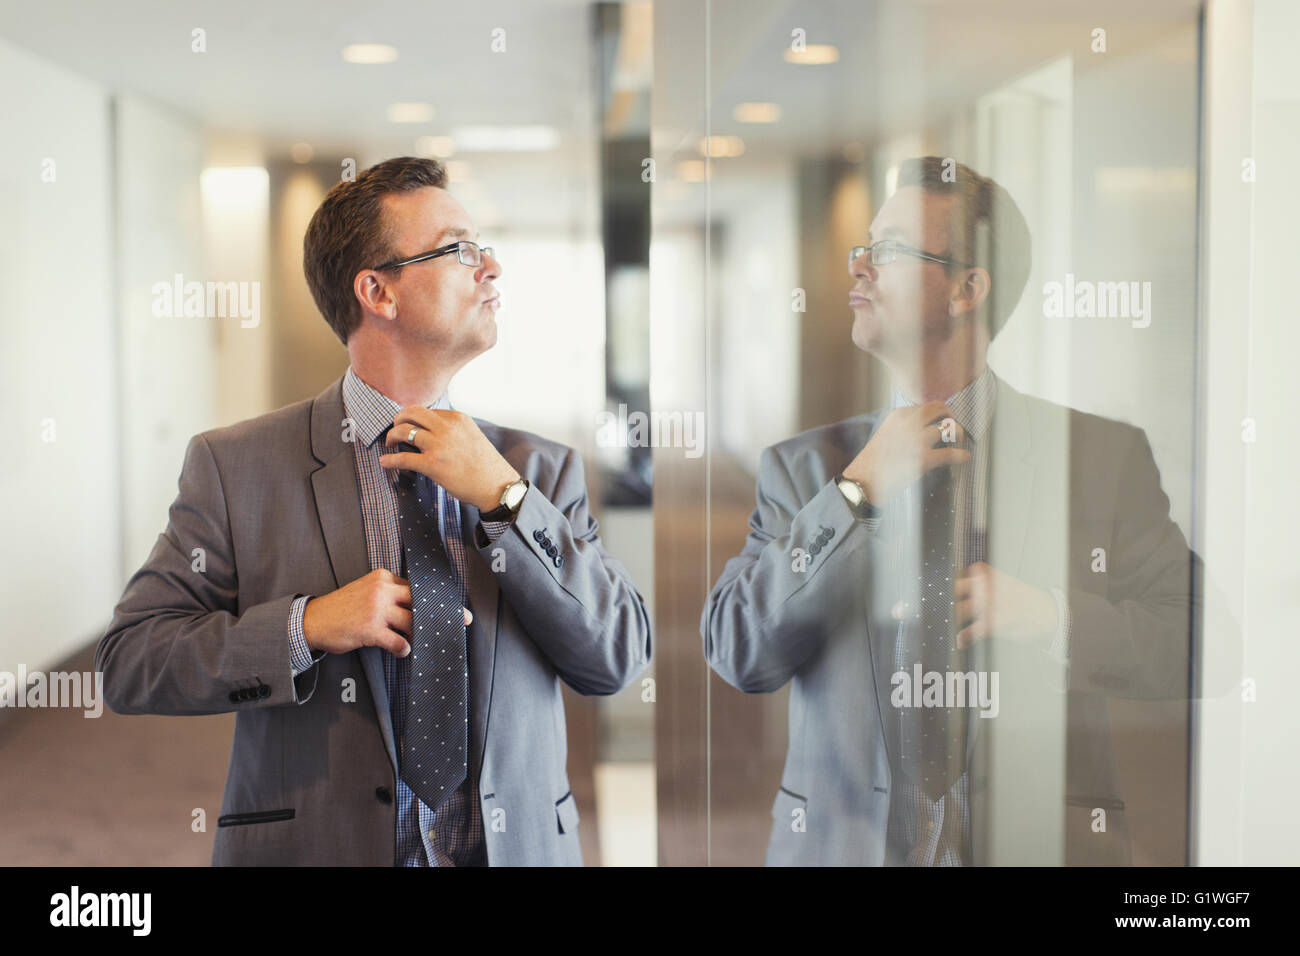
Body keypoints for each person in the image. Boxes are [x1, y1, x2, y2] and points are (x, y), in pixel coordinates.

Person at [96, 156, 651, 866]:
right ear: (377, 292)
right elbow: (131, 662)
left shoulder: (538, 471)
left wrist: (505, 502)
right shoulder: (237, 467)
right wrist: (305, 626)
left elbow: (616, 657)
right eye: (460, 250)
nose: (491, 269)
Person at [701, 157, 1222, 866]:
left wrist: (1050, 615)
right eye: (865, 247)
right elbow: (741, 650)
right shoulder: (805, 470)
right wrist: (855, 494)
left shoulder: (1101, 456)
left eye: (888, 251)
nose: (859, 266)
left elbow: (1206, 645)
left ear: (967, 288)